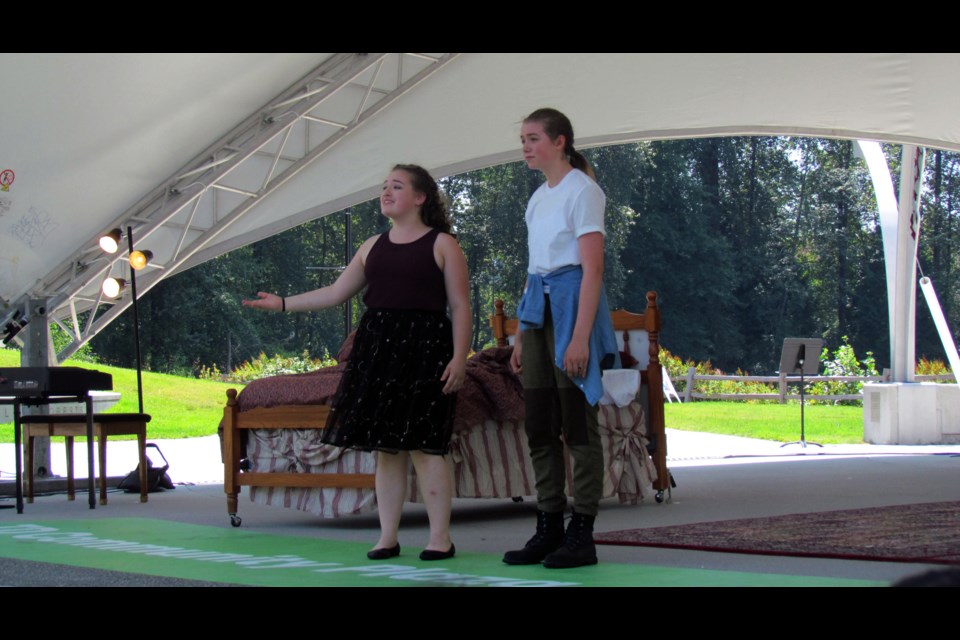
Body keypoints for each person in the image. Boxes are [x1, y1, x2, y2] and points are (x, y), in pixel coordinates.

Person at [244, 164, 471, 562]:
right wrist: (282, 304)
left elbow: (460, 305)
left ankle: (440, 538)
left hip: (425, 354)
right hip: (377, 354)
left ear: (420, 198)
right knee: (386, 450)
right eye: (383, 186)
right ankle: (387, 536)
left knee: (425, 450)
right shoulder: (371, 246)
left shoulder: (443, 245)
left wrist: (459, 358)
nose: (386, 192)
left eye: (396, 186)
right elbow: (335, 293)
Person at [503, 108, 619, 569]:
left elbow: (592, 269)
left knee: (577, 421)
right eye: (523, 139)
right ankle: (548, 525)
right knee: (539, 422)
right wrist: (519, 335)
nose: (526, 147)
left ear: (560, 141)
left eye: (533, 138)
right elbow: (534, 271)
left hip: (573, 309)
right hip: (539, 312)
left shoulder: (584, 191)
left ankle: (582, 532)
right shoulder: (537, 200)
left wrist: (579, 338)